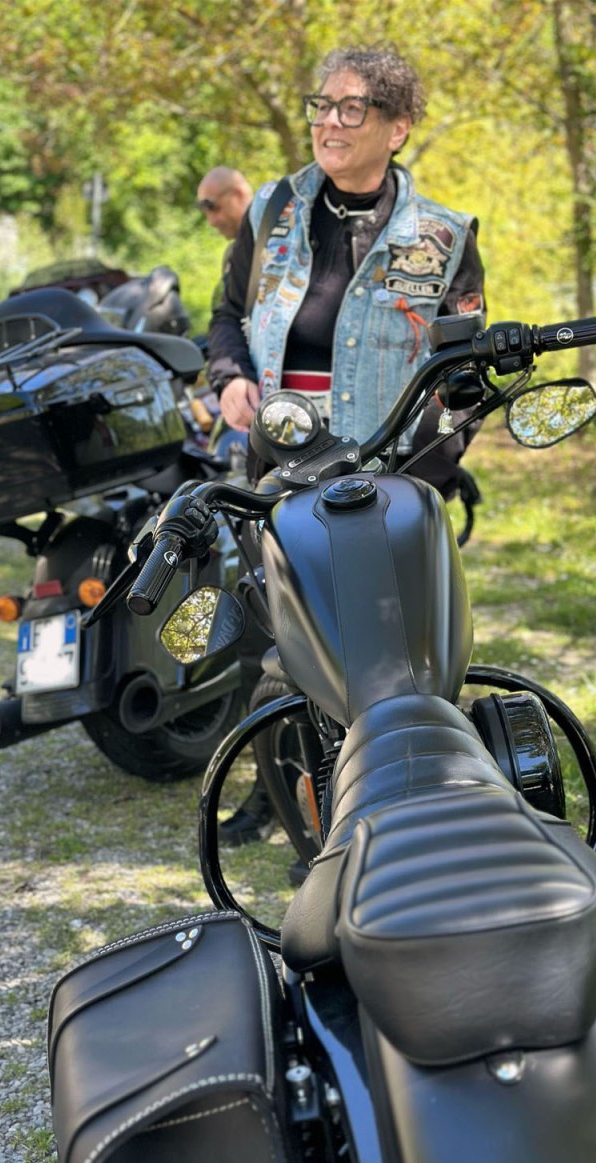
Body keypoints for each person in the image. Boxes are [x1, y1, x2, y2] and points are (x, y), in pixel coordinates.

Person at [207, 44, 486, 844]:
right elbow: (226, 315)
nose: (329, 122)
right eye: (322, 105)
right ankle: (289, 805)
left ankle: (390, 812)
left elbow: (463, 381)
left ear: (397, 128)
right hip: (277, 470)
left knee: (384, 652)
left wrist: (420, 479)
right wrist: (230, 376)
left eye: (351, 108)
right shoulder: (271, 212)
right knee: (275, 643)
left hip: (383, 479)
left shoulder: (442, 237)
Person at [196, 167, 254, 308]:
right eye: (206, 213)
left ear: (239, 195)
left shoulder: (275, 246)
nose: (211, 222)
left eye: (215, 208)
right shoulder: (233, 254)